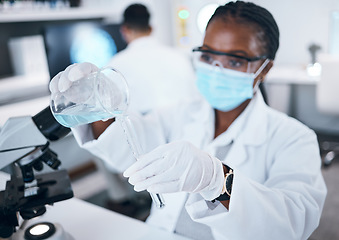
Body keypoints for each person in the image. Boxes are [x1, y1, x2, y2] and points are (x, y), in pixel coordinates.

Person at [50, 1, 327, 239]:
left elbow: (291, 224)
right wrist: (98, 105)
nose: (217, 68)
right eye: (208, 55)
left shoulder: (294, 137)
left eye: (235, 61)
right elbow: (132, 149)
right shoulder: (180, 113)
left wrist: (218, 181)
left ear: (264, 69)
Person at [94, 3, 200, 213]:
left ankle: (120, 199)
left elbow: (105, 117)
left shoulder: (114, 65)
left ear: (125, 30)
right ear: (151, 28)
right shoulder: (180, 56)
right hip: (191, 141)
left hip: (148, 149)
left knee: (98, 140)